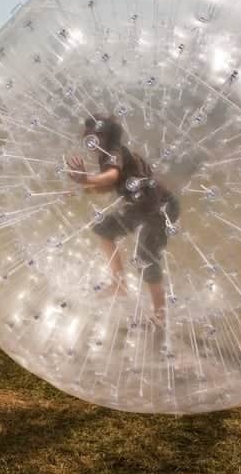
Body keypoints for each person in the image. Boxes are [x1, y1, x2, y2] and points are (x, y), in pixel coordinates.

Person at [66, 115, 179, 326]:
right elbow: (108, 186)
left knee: (145, 256)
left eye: (95, 133)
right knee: (104, 230)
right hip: (140, 206)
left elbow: (111, 177)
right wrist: (83, 187)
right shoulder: (106, 155)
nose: (91, 138)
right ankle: (119, 284)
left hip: (159, 207)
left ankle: (160, 315)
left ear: (106, 135)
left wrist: (86, 179)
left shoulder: (115, 151)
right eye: (89, 133)